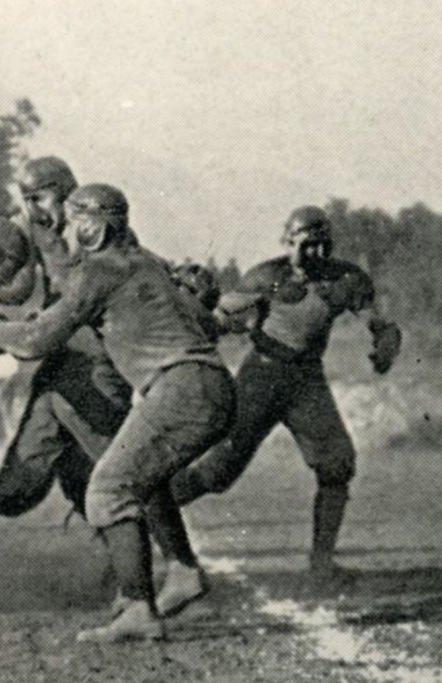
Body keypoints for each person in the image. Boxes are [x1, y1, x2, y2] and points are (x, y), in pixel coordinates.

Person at [0, 184, 231, 643]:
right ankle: (182, 571)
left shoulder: (97, 271)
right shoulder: (145, 262)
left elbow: (35, 342)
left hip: (180, 389)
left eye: (73, 222)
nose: (66, 232)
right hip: (208, 383)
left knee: (109, 490)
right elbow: (201, 319)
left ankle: (137, 608)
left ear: (91, 228)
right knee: (138, 480)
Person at [168, 205, 401, 584]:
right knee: (216, 473)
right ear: (287, 241)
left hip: (307, 381)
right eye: (307, 246)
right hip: (260, 377)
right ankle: (139, 515)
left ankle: (321, 564)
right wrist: (216, 321)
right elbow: (216, 318)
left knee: (337, 464)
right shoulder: (266, 277)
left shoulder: (345, 279)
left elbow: (379, 322)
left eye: (323, 246)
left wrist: (387, 343)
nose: (316, 255)